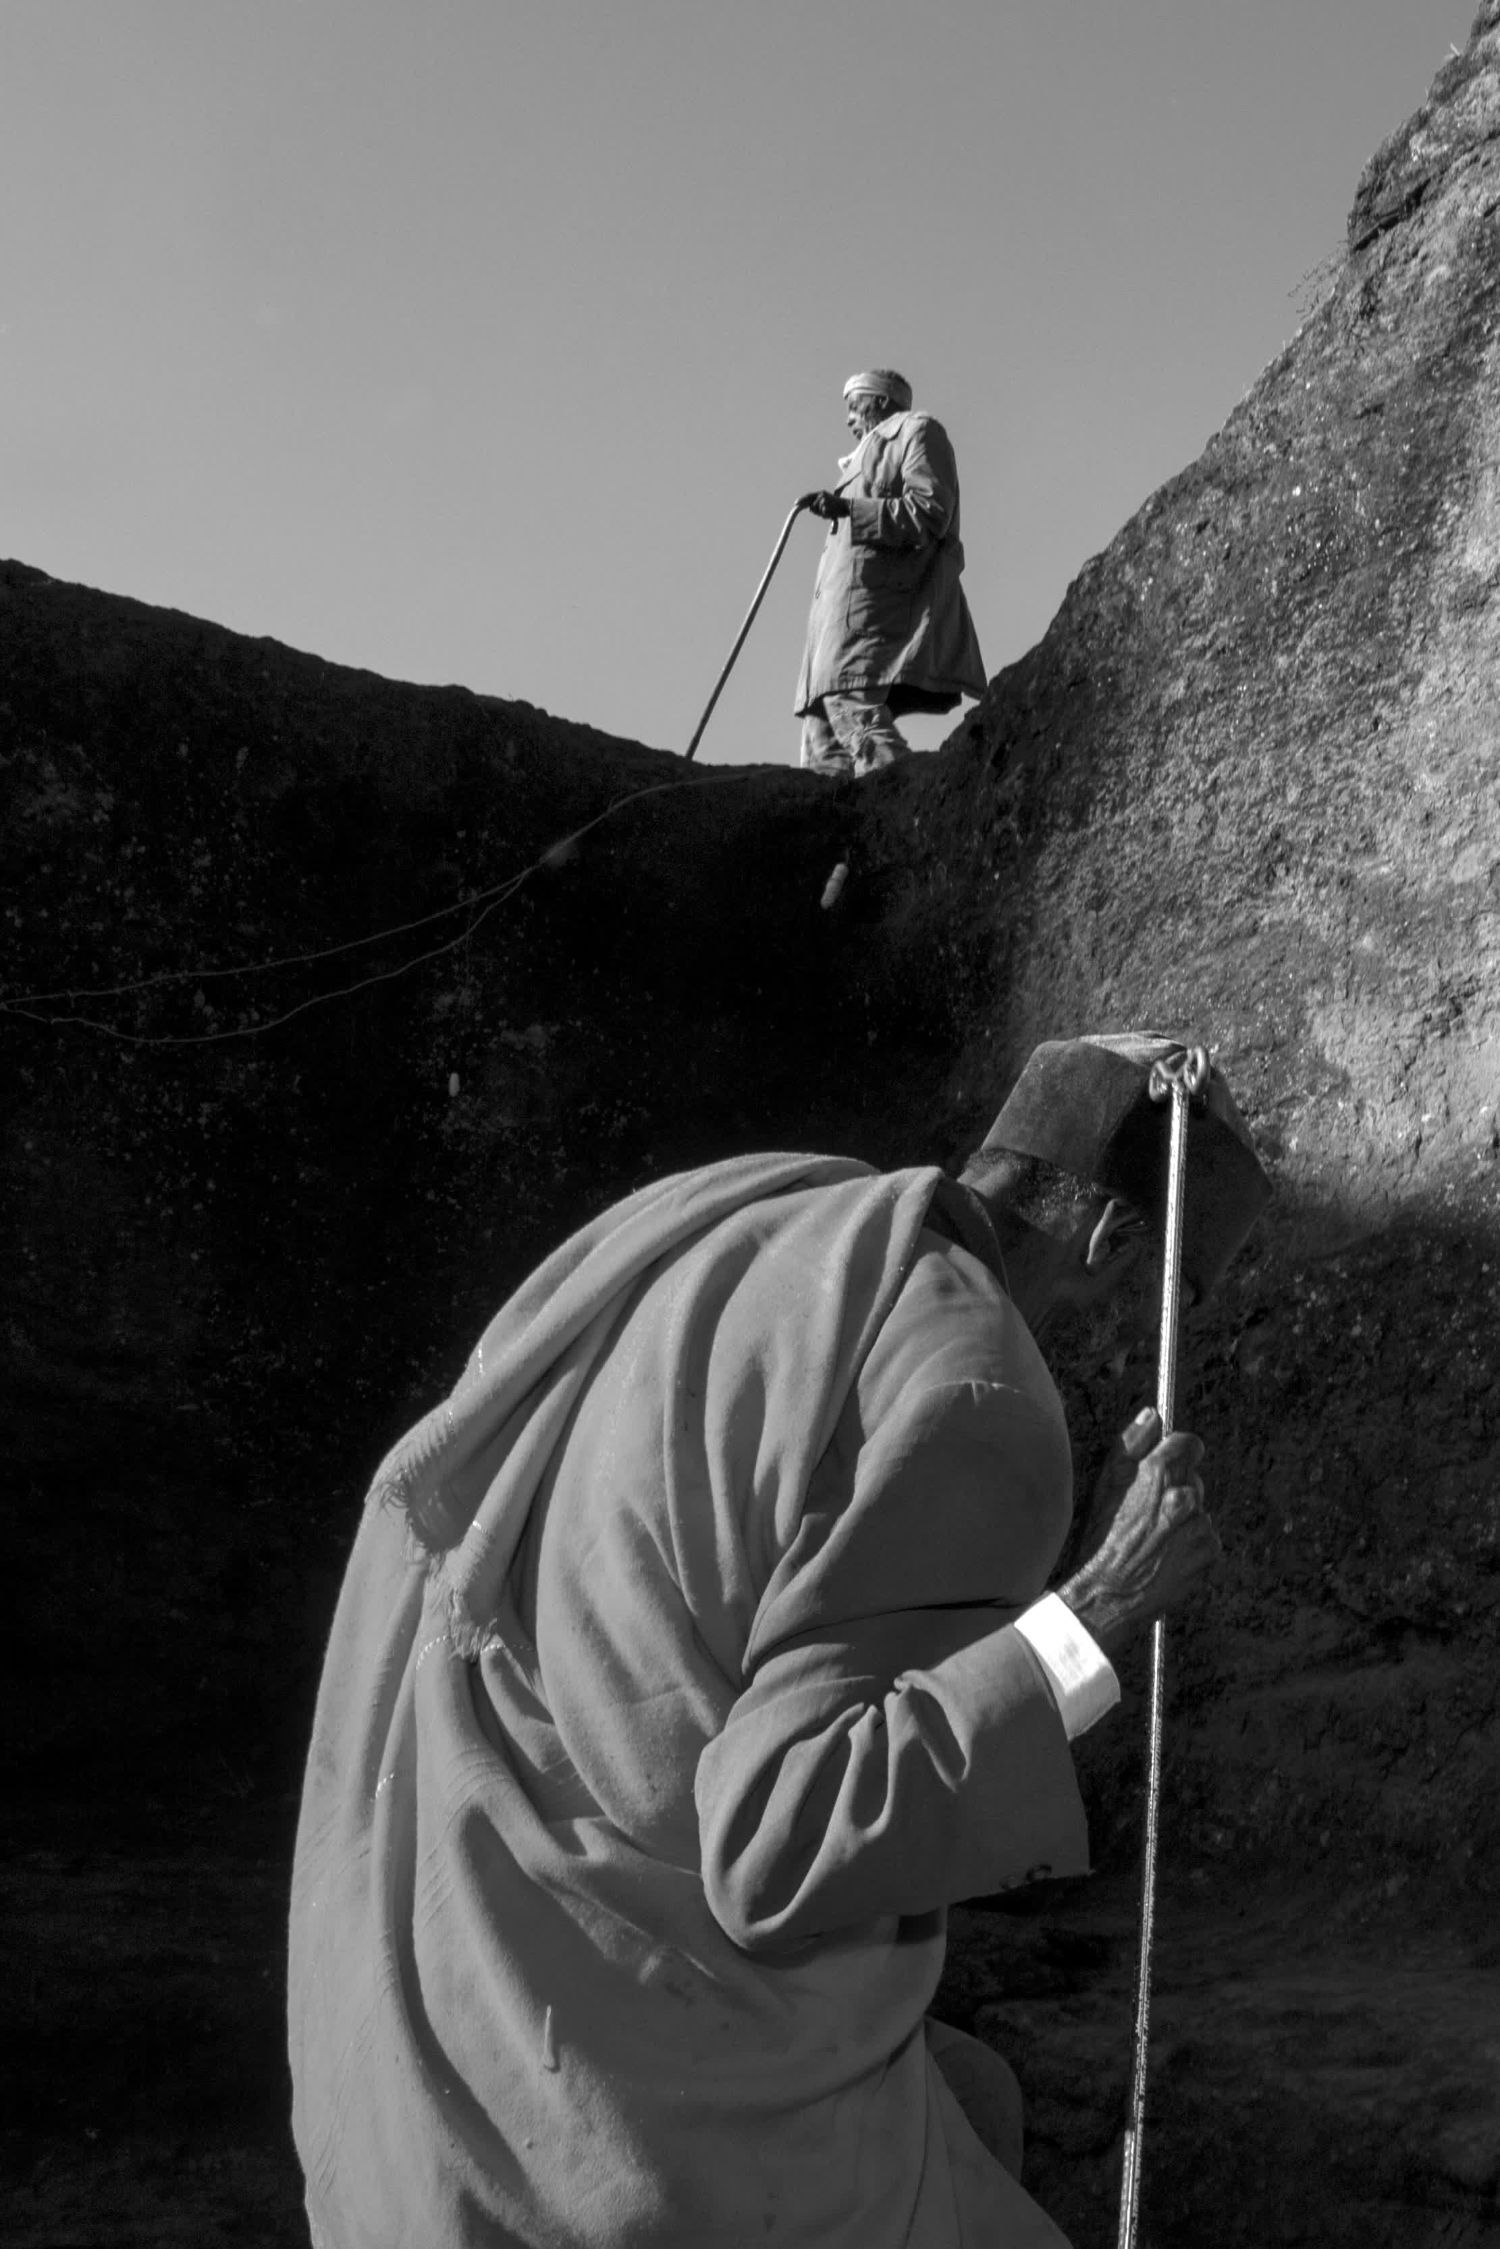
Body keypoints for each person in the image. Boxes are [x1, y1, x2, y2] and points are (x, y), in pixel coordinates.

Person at [288, 1033, 1270, 2249]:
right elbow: (782, 1845)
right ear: (1112, 1241)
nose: (1105, 1327)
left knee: (976, 2096)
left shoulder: (749, 1219)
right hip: (602, 2114)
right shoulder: (975, 1393)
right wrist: (1101, 1612)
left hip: (419, 1989)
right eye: (1129, 1294)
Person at [794, 369, 987, 778]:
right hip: (840, 623)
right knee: (822, 736)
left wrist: (849, 509)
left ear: (881, 401)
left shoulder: (917, 431)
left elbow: (929, 512)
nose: (848, 419)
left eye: (853, 406)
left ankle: (904, 796)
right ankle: (846, 830)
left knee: (850, 705)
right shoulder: (858, 461)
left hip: (877, 611)